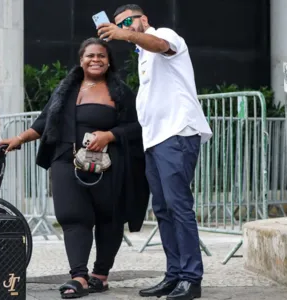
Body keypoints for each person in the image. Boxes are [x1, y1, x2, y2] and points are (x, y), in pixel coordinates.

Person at [1, 37, 149, 299]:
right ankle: (78, 277)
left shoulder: (121, 92)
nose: (95, 60)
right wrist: (19, 139)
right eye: (90, 55)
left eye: (101, 56)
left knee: (109, 219)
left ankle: (100, 276)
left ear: (108, 61)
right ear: (81, 60)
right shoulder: (66, 90)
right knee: (72, 217)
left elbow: (137, 127)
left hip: (110, 166)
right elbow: (44, 121)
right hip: (66, 161)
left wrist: (109, 135)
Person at [97, 4, 213, 300]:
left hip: (177, 134)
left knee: (178, 205)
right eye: (119, 24)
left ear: (143, 19)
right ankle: (174, 274)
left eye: (128, 22)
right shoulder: (142, 53)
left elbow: (161, 45)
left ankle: (191, 278)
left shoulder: (162, 34)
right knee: (162, 209)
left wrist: (127, 35)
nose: (124, 27)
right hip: (156, 140)